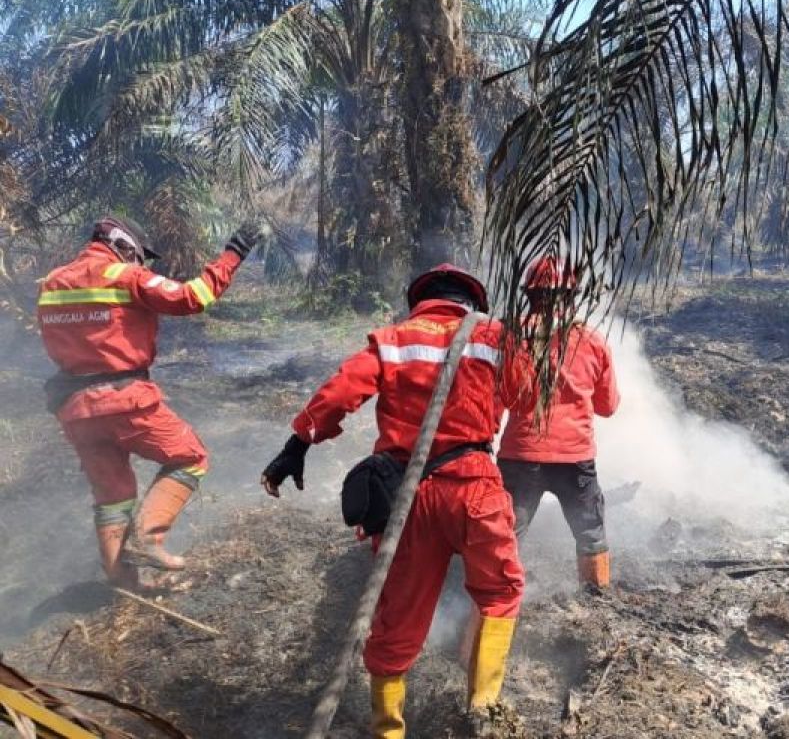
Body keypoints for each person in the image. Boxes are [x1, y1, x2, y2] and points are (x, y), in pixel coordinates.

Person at [260, 264, 528, 739]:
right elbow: (526, 394)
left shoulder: (393, 339)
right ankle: (484, 713)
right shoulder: (495, 336)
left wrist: (297, 445)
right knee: (500, 592)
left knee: (398, 618)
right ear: (471, 302)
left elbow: (340, 392)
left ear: (420, 301)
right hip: (475, 487)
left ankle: (388, 730)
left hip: (408, 498)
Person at [38, 215, 261, 587]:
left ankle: (122, 582)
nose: (141, 262)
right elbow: (194, 296)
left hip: (75, 409)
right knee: (190, 456)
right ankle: (147, 539)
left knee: (112, 494)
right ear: (123, 245)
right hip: (125, 400)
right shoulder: (124, 276)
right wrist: (233, 253)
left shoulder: (51, 283)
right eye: (139, 255)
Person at [497, 256, 620, 590]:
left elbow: (499, 396)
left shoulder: (510, 336)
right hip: (574, 459)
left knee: (506, 534)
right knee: (590, 531)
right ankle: (596, 593)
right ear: (571, 296)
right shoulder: (592, 340)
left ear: (529, 294)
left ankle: (495, 601)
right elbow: (608, 407)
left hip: (521, 455)